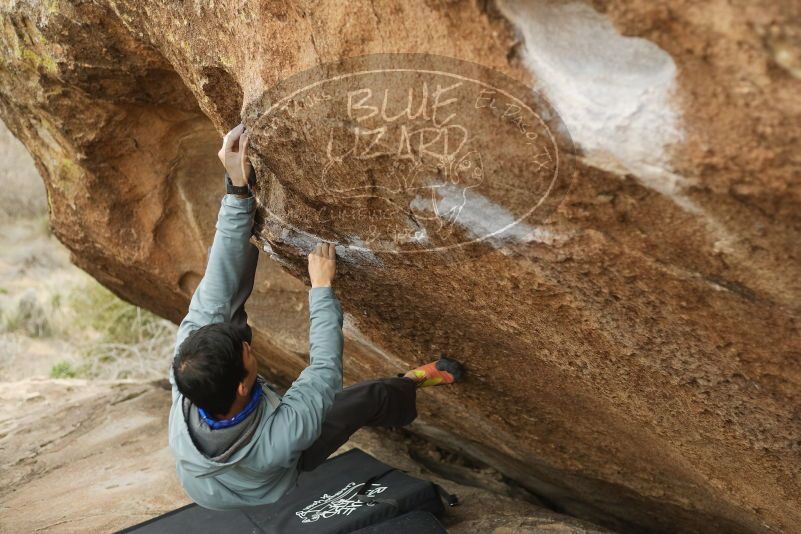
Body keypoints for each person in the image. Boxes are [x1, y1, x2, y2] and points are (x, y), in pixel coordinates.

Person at [168, 124, 464, 510]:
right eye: (246, 352)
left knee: (224, 307)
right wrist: (321, 290)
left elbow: (218, 285)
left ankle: (246, 210)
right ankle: (406, 387)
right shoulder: (283, 439)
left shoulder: (189, 372)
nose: (248, 343)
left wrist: (237, 188)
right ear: (242, 387)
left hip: (211, 471)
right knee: (364, 399)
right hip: (272, 477)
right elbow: (324, 371)